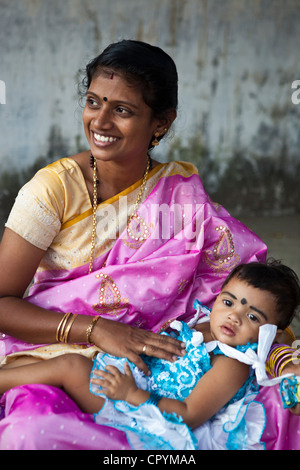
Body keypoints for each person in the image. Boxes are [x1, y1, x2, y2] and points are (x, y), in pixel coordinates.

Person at [0, 39, 298, 450]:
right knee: (31, 433)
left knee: (282, 407)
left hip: (159, 368)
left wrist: (276, 344)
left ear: (161, 122)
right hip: (53, 356)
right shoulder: (52, 191)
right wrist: (96, 329)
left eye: (122, 110)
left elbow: (248, 293)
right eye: (93, 101)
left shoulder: (181, 198)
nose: (99, 121)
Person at [0, 260, 298, 450]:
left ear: (272, 332)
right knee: (71, 364)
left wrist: (131, 394)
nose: (234, 317)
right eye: (230, 301)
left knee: (71, 366)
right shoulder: (206, 323)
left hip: (151, 417)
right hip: (138, 384)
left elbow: (189, 415)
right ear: (219, 295)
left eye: (253, 318)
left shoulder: (233, 364)